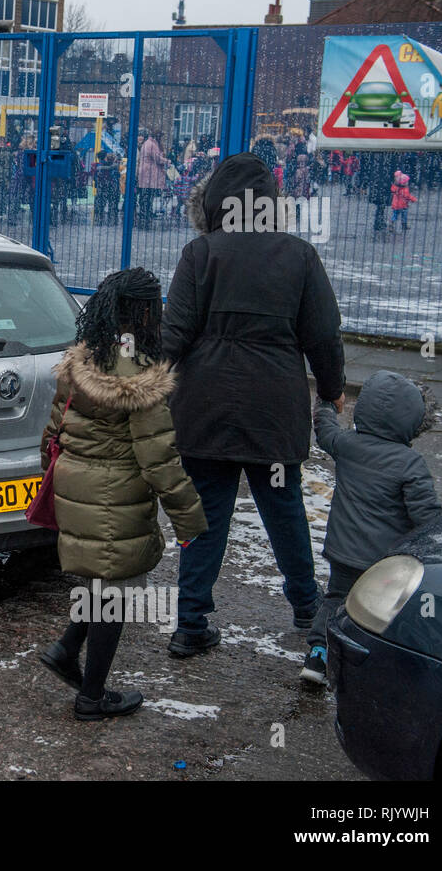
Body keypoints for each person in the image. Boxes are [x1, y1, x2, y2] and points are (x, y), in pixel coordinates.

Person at [162, 153, 345, 657]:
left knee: (204, 515)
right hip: (274, 411)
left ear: (216, 204)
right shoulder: (299, 256)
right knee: (284, 512)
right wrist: (332, 389)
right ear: (270, 204)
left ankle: (190, 623)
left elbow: (172, 335)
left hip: (204, 411)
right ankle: (307, 609)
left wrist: (146, 390)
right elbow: (323, 336)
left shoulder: (200, 254)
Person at [38, 267, 206, 720]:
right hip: (115, 497)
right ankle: (91, 697)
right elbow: (160, 460)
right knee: (117, 593)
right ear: (145, 312)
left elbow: (52, 432)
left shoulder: (82, 358)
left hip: (79, 487)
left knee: (104, 581)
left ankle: (65, 649)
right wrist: (190, 521)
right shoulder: (138, 377)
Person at [301, 372, 442, 685]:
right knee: (385, 610)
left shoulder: (348, 444)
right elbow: (425, 515)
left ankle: (318, 655)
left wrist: (326, 402)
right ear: (412, 421)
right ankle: (376, 665)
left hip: (343, 551)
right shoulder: (410, 463)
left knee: (336, 598)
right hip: (384, 560)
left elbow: (325, 431)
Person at [135, 129, 168, 227]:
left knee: (145, 196)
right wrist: (167, 161)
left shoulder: (147, 143)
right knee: (148, 196)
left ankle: (144, 213)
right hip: (149, 174)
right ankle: (146, 214)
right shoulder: (152, 144)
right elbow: (157, 158)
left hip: (145, 174)